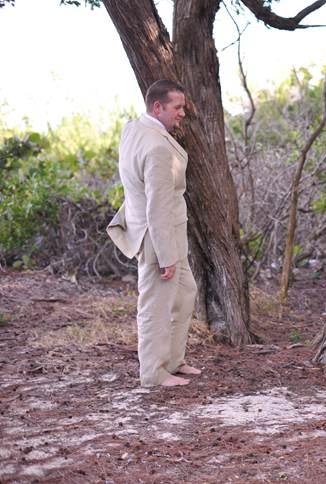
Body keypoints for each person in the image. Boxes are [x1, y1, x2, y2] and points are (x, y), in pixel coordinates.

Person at [107, 79, 201, 387]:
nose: (182, 114)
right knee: (155, 306)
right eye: (178, 107)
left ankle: (174, 359)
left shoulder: (134, 128)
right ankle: (153, 372)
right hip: (158, 237)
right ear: (157, 107)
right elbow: (156, 206)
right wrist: (165, 257)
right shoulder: (157, 147)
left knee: (186, 294)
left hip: (170, 233)